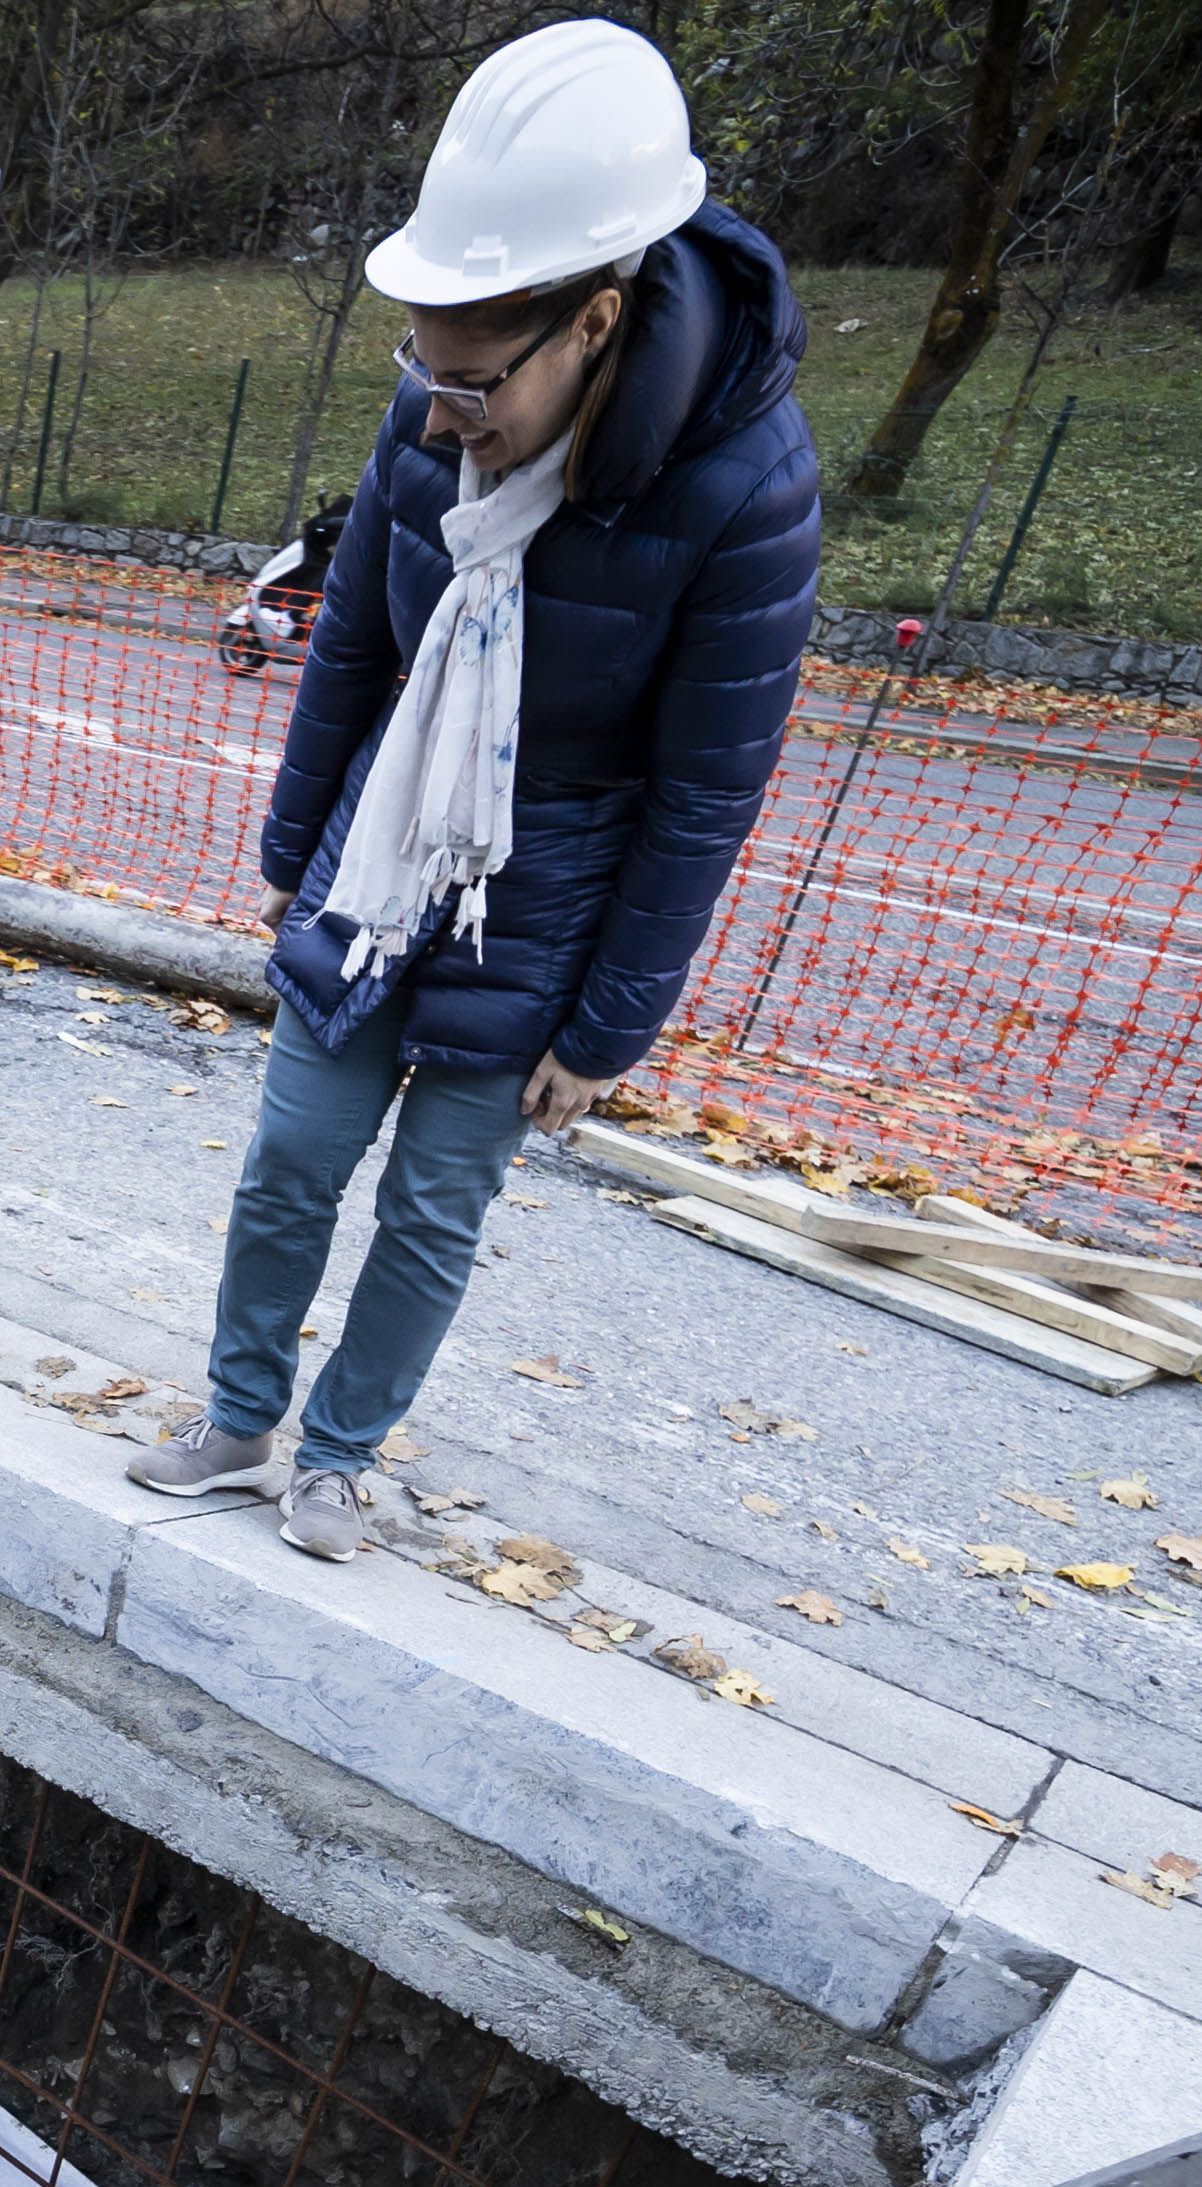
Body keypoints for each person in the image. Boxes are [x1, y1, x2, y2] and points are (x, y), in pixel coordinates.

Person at [128, 19, 823, 1561]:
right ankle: (241, 1422)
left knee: (432, 1205)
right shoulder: (428, 407)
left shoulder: (748, 488)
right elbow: (353, 646)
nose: (438, 413)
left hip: (548, 898)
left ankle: (337, 1458)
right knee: (291, 1157)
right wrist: (291, 845)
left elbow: (705, 789)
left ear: (593, 318)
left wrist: (607, 1024)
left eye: (469, 382)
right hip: (375, 860)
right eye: (421, 371)